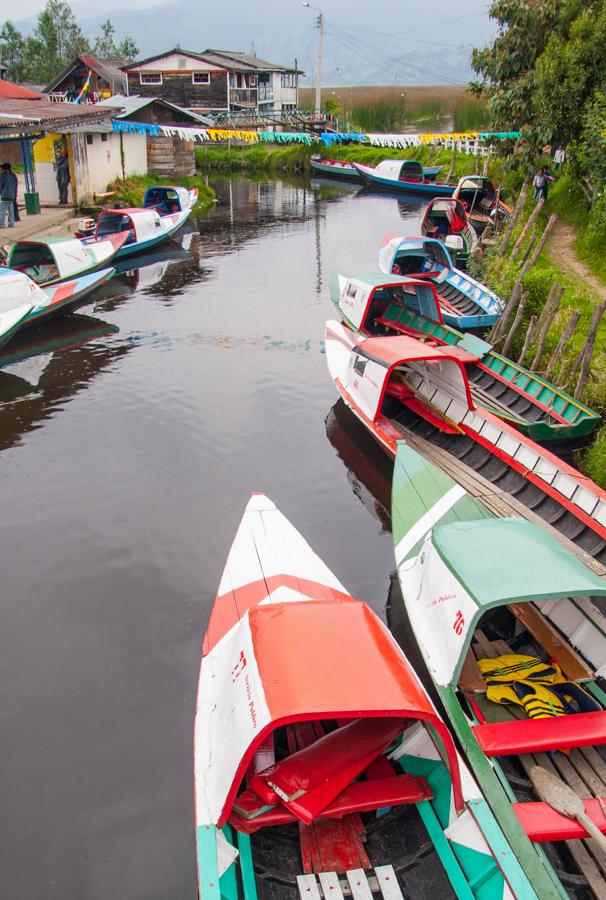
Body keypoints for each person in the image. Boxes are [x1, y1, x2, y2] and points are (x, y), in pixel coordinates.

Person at [0, 161, 17, 228]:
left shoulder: (2, 176)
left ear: (4, 169)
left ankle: (1, 224)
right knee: (11, 210)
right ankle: (11, 223)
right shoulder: (12, 175)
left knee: (2, 211)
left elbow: (0, 185)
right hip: (12, 196)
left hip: (5, 196)